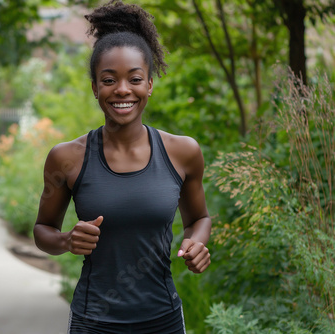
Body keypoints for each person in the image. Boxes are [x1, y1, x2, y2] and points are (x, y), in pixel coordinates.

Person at [33, 1, 211, 333]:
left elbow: (198, 218)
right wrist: (67, 240)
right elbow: (43, 230)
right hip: (93, 321)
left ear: (150, 85)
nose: (123, 90)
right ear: (95, 88)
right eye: (109, 80)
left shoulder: (183, 152)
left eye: (135, 78)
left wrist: (197, 243)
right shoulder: (66, 158)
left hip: (164, 320)